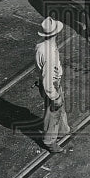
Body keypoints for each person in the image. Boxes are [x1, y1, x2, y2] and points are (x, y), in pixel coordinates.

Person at [35, 16, 71, 153]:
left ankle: (63, 130)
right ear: (56, 33)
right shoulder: (49, 54)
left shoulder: (42, 45)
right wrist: (54, 96)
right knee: (53, 113)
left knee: (59, 108)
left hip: (47, 83)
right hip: (51, 86)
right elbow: (48, 79)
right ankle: (49, 141)